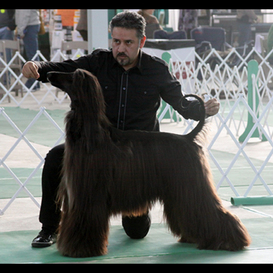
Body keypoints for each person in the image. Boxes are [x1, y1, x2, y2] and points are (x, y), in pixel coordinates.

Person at [22, 11, 220, 248]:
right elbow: (62, 68)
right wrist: (36, 66)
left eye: (128, 43)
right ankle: (49, 228)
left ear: (141, 42)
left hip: (140, 158)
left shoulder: (156, 69)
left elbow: (182, 105)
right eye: (116, 42)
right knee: (56, 157)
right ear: (111, 40)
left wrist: (204, 110)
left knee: (137, 232)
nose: (120, 49)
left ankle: (207, 229)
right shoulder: (98, 61)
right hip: (100, 148)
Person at [15, 9, 40, 90]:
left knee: (32, 56)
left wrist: (20, 31)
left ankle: (32, 84)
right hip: (30, 25)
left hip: (29, 27)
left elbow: (24, 14)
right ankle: (36, 83)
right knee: (33, 55)